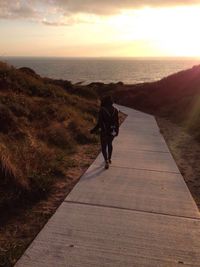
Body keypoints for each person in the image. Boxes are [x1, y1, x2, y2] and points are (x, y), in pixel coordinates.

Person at [90, 96, 119, 169]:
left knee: (103, 147)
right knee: (110, 144)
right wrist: (117, 131)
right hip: (112, 131)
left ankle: (106, 160)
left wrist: (93, 130)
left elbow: (99, 123)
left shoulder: (102, 110)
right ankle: (109, 159)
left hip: (104, 131)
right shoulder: (115, 110)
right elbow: (117, 122)